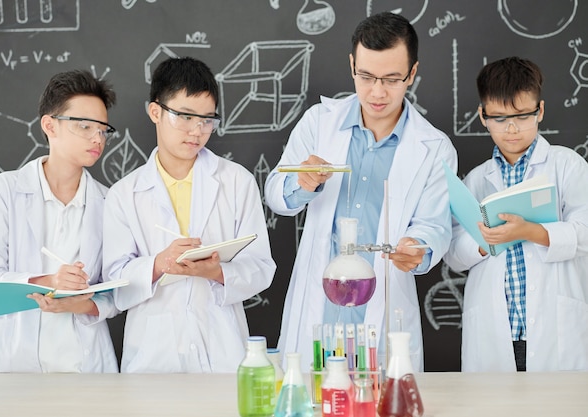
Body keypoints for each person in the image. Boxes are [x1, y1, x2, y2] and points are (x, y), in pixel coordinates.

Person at [264, 12, 457, 371]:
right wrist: (301, 183)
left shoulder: (434, 148)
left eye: (391, 79)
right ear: (352, 65)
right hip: (319, 310)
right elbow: (276, 192)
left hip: (380, 315)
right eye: (366, 76)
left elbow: (434, 226)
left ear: (412, 73)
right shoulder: (319, 123)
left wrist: (418, 248)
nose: (377, 91)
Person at [103, 56, 276, 373]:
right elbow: (114, 283)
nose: (197, 130)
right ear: (155, 111)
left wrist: (216, 273)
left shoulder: (237, 182)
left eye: (207, 120)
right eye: (185, 117)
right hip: (152, 359)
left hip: (223, 352)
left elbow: (262, 268)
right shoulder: (124, 194)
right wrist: (158, 264)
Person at [0, 70, 119, 373]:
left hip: (81, 362)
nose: (96, 138)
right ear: (50, 126)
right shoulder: (6, 189)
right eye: (85, 126)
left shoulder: (110, 202)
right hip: (7, 359)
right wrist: (50, 283)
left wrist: (84, 304)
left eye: (103, 130)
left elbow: (116, 290)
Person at [443, 56, 588, 372]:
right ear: (482, 116)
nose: (511, 128)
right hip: (497, 336)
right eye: (499, 117)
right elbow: (453, 255)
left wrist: (530, 231)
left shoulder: (567, 166)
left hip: (556, 335)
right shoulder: (476, 180)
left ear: (541, 111)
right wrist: (483, 242)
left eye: (523, 116)